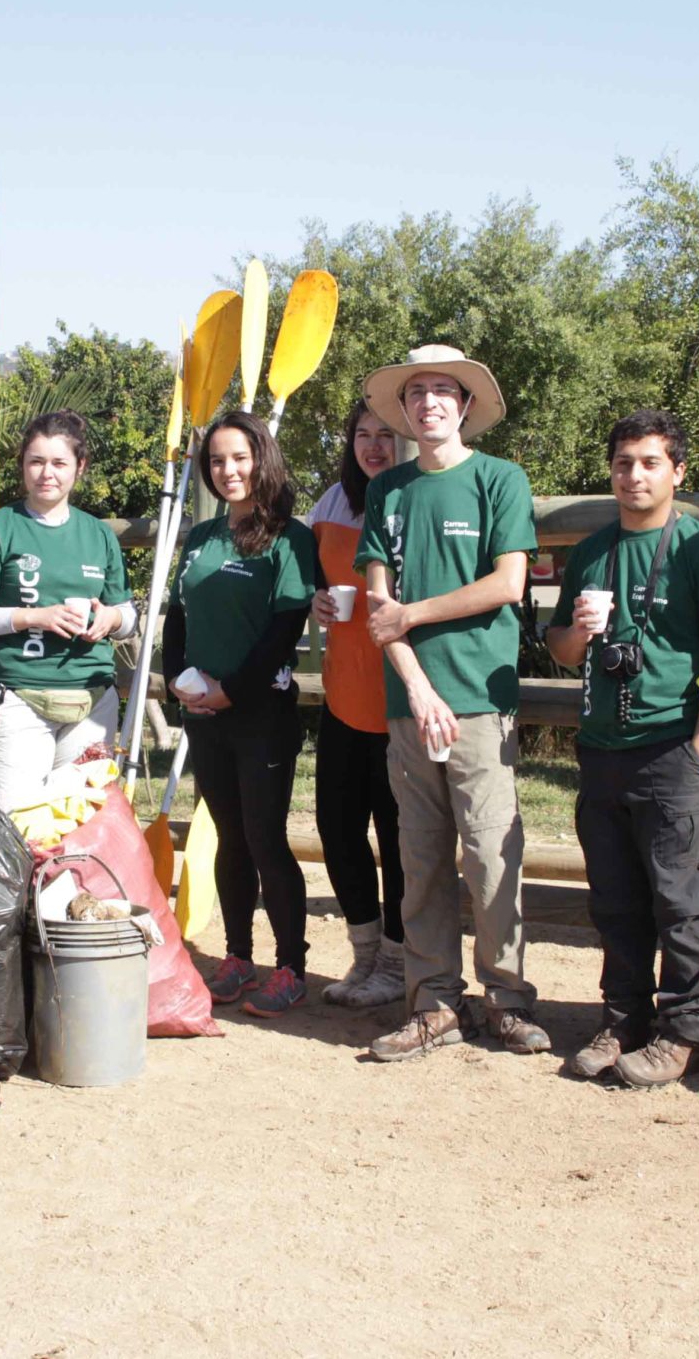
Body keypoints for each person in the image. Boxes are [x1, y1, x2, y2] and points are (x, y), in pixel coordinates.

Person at [353, 345, 548, 1061]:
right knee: (421, 859)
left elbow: (508, 583)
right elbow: (379, 610)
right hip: (412, 705)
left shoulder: (500, 479)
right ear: (403, 408)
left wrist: (415, 613)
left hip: (480, 702)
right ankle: (433, 1000)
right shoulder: (388, 490)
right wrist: (416, 682)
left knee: (493, 857)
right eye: (418, 392)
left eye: (444, 391)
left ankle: (507, 1000)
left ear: (465, 405)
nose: (430, 402)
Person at [545, 409, 699, 1088]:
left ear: (679, 472)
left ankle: (689, 1029)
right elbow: (563, 651)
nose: (635, 475)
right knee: (616, 898)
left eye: (651, 462)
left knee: (684, 899)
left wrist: (695, 746)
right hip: (601, 748)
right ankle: (623, 1016)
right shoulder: (592, 551)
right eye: (624, 462)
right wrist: (577, 628)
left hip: (670, 750)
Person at [162, 410, 320, 1017]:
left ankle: (290, 966)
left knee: (264, 837)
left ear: (263, 460)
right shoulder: (202, 538)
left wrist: (234, 691)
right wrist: (177, 677)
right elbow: (179, 615)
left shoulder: (290, 538)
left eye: (240, 458)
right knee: (228, 835)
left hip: (261, 712)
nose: (229, 470)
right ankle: (236, 957)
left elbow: (285, 629)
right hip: (204, 714)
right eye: (218, 460)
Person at [0, 410, 134, 812]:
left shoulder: (99, 534)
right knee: (15, 823)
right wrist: (34, 617)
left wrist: (113, 619)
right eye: (36, 461)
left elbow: (128, 614)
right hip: (20, 697)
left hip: (94, 701)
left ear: (79, 467)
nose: (47, 473)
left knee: (82, 823)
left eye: (59, 462)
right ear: (23, 466)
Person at [308, 403, 406, 1008]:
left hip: (399, 695)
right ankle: (365, 956)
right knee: (338, 830)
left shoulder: (417, 502)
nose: (373, 446)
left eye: (385, 436)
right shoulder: (333, 504)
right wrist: (318, 601)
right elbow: (310, 580)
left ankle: (396, 965)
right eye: (362, 435)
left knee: (398, 839)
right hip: (343, 695)